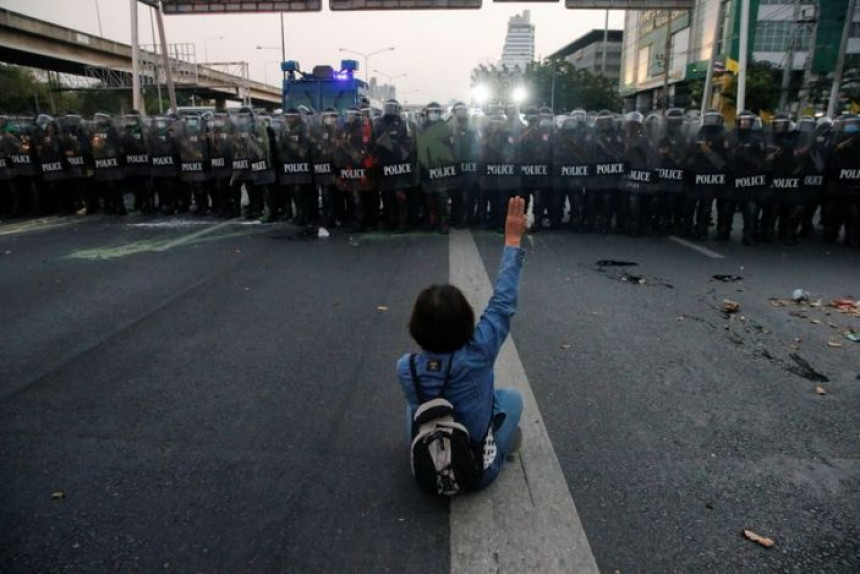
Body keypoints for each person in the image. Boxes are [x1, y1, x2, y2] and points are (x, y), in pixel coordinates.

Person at [397, 196, 527, 492]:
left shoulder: (406, 368)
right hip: (476, 473)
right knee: (512, 398)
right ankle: (500, 447)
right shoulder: (479, 353)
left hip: (426, 474)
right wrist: (512, 240)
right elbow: (503, 302)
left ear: (416, 327)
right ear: (467, 321)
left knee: (414, 407)